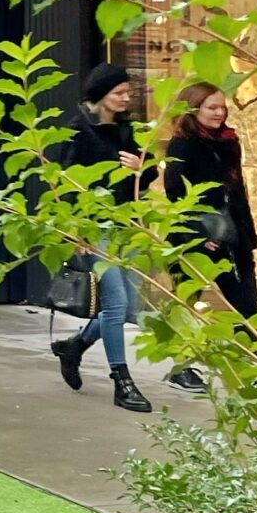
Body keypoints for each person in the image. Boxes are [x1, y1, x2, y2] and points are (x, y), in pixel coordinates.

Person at [163, 82, 257, 400]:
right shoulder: (183, 145)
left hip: (234, 235)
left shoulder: (230, 141)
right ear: (193, 109)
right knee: (187, 302)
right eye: (212, 108)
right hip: (196, 239)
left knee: (246, 304)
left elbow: (237, 191)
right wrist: (197, 235)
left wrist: (247, 234)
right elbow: (176, 194)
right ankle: (181, 367)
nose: (220, 113)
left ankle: (254, 372)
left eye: (222, 107)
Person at [47, 63, 150, 413]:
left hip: (127, 225)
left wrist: (141, 169)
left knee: (128, 307)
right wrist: (74, 230)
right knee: (116, 303)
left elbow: (144, 178)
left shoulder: (126, 130)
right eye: (118, 93)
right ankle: (122, 381)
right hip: (94, 229)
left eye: (127, 93)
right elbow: (63, 185)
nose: (125, 98)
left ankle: (75, 346)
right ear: (100, 94)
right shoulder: (77, 131)